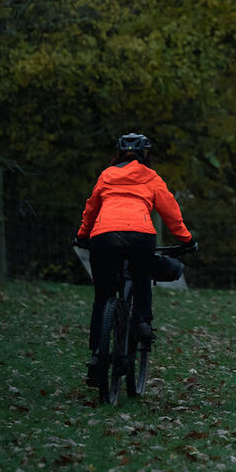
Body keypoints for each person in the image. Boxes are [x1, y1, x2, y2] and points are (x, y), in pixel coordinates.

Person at [74, 133, 194, 387]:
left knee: (103, 295)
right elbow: (171, 211)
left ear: (117, 154)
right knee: (141, 276)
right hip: (140, 235)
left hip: (104, 236)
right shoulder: (151, 177)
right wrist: (186, 239)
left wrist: (82, 235)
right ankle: (143, 324)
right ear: (146, 154)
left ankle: (97, 357)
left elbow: (91, 208)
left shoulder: (106, 175)